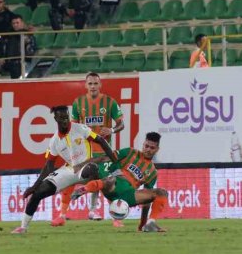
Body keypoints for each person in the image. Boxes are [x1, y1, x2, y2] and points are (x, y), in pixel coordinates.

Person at [12, 106, 118, 234]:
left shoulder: (80, 128)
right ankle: (23, 227)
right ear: (56, 119)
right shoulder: (54, 141)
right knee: (37, 194)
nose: (65, 120)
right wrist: (35, 186)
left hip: (87, 166)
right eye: (61, 118)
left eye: (66, 117)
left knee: (92, 168)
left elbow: (100, 140)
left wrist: (114, 161)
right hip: (69, 170)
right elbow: (49, 165)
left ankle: (94, 202)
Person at [71, 133, 170, 233]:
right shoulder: (130, 152)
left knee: (162, 192)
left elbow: (147, 202)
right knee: (110, 179)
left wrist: (142, 224)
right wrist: (81, 165)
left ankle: (150, 224)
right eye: (146, 146)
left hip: (129, 194)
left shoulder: (153, 172)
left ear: (157, 149)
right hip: (114, 185)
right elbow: (105, 157)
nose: (148, 149)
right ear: (143, 144)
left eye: (152, 148)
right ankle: (84, 189)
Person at [69, 73, 125, 223]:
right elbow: (73, 127)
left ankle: (105, 214)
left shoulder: (110, 102)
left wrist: (112, 130)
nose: (93, 86)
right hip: (85, 152)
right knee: (92, 179)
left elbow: (121, 124)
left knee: (105, 181)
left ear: (100, 85)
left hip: (104, 151)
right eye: (90, 84)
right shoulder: (78, 103)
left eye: (95, 83)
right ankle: (66, 213)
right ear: (85, 85)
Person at [0, 15, 37, 79]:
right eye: (13, 23)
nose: (15, 25)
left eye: (17, 23)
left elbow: (30, 52)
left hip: (24, 62)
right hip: (10, 62)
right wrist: (2, 58)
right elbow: (6, 49)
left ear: (22, 23)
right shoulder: (10, 36)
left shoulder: (28, 36)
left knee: (16, 66)